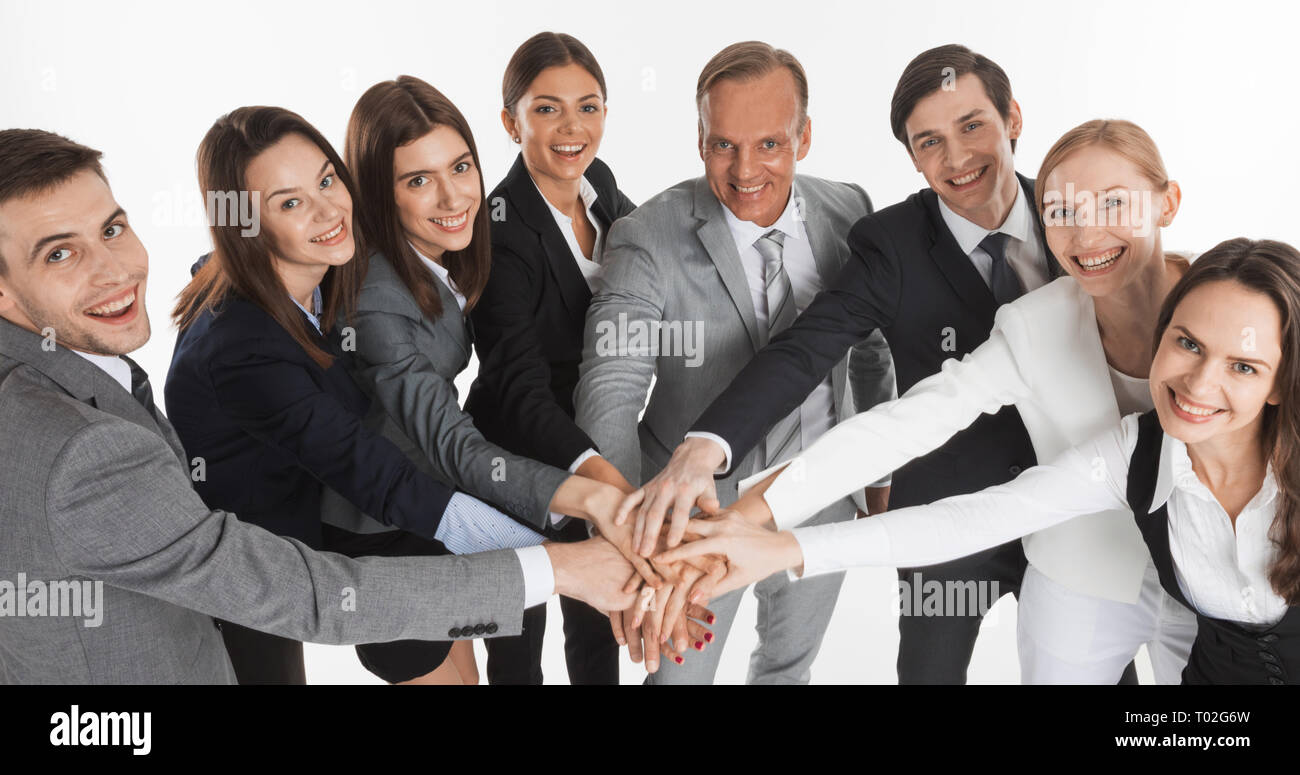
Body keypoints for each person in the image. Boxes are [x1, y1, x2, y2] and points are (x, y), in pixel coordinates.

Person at [0, 127, 639, 684]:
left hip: (354, 541)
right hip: (270, 576)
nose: (113, 268)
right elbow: (374, 490)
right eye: (59, 252)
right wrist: (562, 557)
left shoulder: (312, 275)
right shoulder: (223, 362)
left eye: (112, 228)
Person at [671, 120, 1203, 683]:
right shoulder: (1035, 326)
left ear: (1166, 202)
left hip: (1201, 577)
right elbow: (903, 427)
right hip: (1081, 584)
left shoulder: (1230, 307)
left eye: (1114, 203)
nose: (1086, 233)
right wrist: (743, 519)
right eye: (1062, 211)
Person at [627, 44, 1082, 684]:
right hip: (940, 520)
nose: (956, 159)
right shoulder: (889, 243)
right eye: (928, 142)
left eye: (972, 126)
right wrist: (706, 446)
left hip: (1076, 508)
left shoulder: (1082, 219)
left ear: (1013, 118)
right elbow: (807, 347)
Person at [660, 237, 1300, 685]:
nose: (1198, 383)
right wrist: (781, 548)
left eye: (1243, 367)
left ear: (1278, 382)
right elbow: (977, 517)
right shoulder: (1135, 449)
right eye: (1187, 343)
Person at [572, 40, 895, 682]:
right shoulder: (649, 235)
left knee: (789, 666)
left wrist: (876, 472)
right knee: (678, 676)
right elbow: (611, 387)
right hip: (692, 515)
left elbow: (871, 347)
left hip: (817, 491)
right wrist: (632, 537)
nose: (746, 170)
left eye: (769, 144)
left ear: (804, 137)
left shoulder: (849, 209)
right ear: (699, 140)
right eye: (724, 144)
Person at [338, 71, 669, 686]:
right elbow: (451, 443)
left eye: (460, 169)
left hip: (436, 499)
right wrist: (597, 493)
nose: (453, 198)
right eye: (418, 181)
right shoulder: (380, 298)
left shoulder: (443, 250)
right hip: (387, 526)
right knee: (514, 635)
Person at [462, 32, 649, 684]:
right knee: (519, 634)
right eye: (547, 108)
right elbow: (518, 386)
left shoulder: (599, 182)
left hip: (589, 438)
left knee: (597, 627)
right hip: (514, 452)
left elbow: (647, 261)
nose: (573, 128)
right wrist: (603, 479)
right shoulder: (499, 229)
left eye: (589, 106)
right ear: (511, 120)